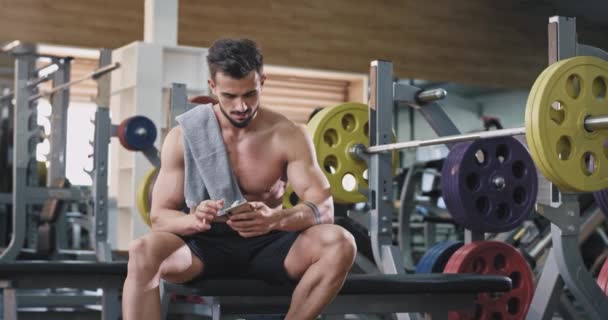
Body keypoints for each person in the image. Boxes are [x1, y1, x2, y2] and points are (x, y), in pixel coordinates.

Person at [122, 38, 357, 320]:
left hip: (270, 242)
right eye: (229, 96)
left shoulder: (287, 134)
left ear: (262, 82)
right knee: (142, 251)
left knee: (341, 242)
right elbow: (160, 216)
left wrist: (275, 218)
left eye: (250, 94)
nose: (241, 106)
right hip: (203, 245)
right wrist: (193, 220)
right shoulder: (184, 136)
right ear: (212, 87)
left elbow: (324, 208)